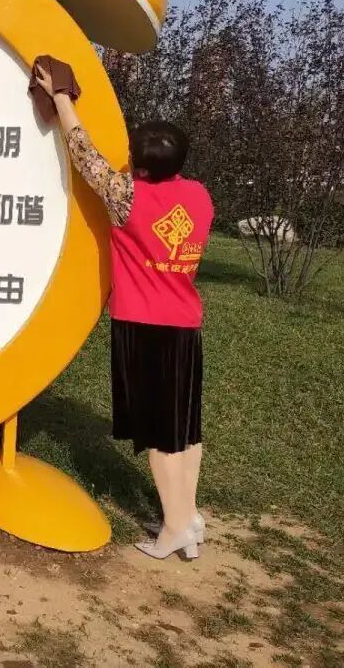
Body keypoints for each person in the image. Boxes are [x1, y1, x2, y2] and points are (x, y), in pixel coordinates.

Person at [33, 62, 214, 561]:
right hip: (185, 325)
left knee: (160, 436)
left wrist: (61, 97)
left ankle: (174, 529)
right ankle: (189, 515)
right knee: (185, 427)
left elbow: (84, 154)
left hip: (144, 326)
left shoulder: (127, 197)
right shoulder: (199, 196)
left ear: (139, 168)